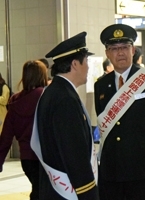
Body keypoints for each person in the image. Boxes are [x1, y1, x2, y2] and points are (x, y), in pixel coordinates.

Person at [95, 24, 145, 200]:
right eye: (114, 48)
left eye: (124, 47)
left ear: (133, 50)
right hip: (111, 166)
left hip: (143, 164)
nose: (120, 53)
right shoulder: (101, 85)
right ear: (107, 53)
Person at [32, 32, 99, 199]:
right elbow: (73, 152)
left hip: (55, 188)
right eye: (86, 62)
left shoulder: (54, 92)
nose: (88, 67)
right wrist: (88, 192)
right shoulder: (65, 99)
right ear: (75, 64)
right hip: (69, 190)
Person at [0, 60, 48, 200]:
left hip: (26, 158)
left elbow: (6, 137)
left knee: (37, 191)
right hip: (44, 157)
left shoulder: (15, 101)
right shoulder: (46, 96)